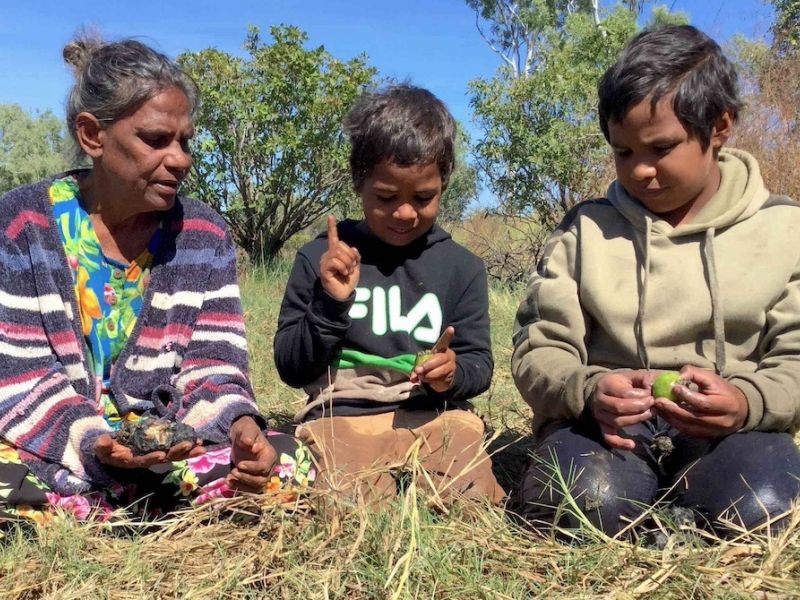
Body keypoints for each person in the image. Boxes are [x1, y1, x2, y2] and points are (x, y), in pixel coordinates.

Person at [0, 36, 315, 523]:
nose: (182, 158)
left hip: (169, 448)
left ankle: (104, 508)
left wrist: (240, 425)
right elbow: (19, 377)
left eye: (185, 141)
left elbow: (214, 363)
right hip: (53, 441)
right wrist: (93, 442)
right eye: (156, 140)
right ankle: (119, 504)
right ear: (92, 136)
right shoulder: (22, 226)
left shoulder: (204, 234)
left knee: (286, 464)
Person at [511, 25, 800, 536]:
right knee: (576, 507)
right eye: (624, 153)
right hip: (607, 430)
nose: (641, 171)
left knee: (765, 508)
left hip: (733, 431)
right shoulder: (586, 230)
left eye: (661, 148)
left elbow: (794, 358)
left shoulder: (784, 229)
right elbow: (539, 349)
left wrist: (746, 403)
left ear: (720, 127)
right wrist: (590, 388)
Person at [274, 85, 504, 505]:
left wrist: (450, 375)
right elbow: (291, 367)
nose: (404, 212)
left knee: (469, 497)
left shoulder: (462, 268)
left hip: (437, 414)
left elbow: (478, 364)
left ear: (443, 183)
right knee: (349, 504)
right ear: (359, 182)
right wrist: (331, 302)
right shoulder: (321, 259)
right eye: (385, 197)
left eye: (423, 197)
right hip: (343, 415)